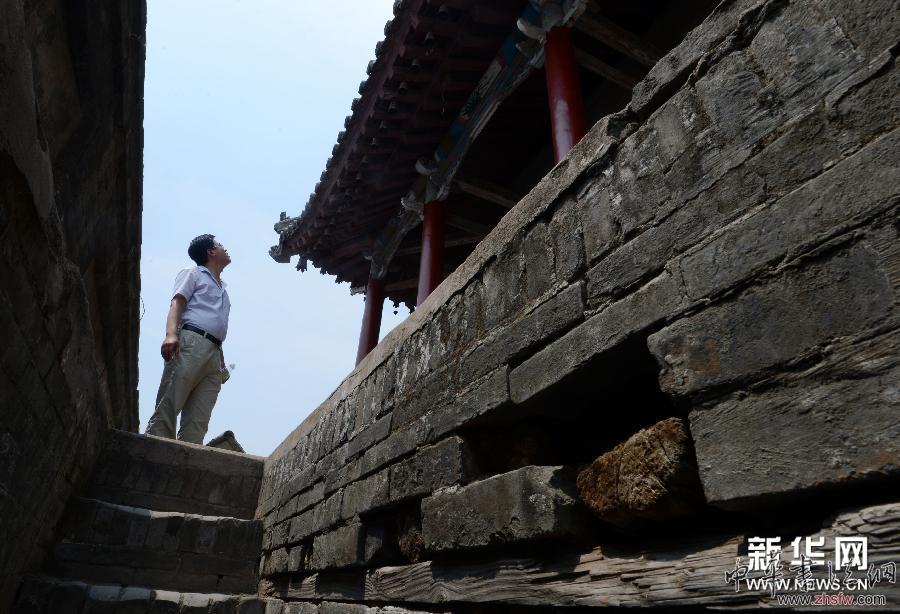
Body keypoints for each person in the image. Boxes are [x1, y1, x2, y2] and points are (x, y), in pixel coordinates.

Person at [145, 234, 232, 444]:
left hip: (213, 352)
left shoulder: (224, 290)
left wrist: (220, 358)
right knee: (170, 401)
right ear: (211, 252)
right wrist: (171, 334)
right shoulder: (194, 274)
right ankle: (155, 447)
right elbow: (178, 303)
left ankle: (187, 455)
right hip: (190, 341)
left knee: (199, 419)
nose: (224, 247)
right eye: (220, 245)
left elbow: (215, 324)